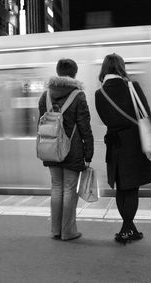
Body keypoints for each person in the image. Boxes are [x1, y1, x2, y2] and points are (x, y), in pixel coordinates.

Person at [95, 54, 151, 244]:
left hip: (115, 145)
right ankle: (126, 230)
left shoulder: (100, 94)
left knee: (122, 189)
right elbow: (146, 114)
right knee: (132, 190)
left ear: (104, 70)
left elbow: (105, 120)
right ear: (121, 68)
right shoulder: (133, 86)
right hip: (135, 145)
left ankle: (129, 229)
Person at [38, 59, 94, 241]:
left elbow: (40, 124)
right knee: (69, 189)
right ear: (74, 74)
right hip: (72, 149)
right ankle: (68, 231)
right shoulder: (78, 96)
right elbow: (85, 126)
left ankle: (56, 230)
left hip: (51, 148)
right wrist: (89, 153)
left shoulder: (45, 96)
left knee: (56, 187)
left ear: (57, 71)